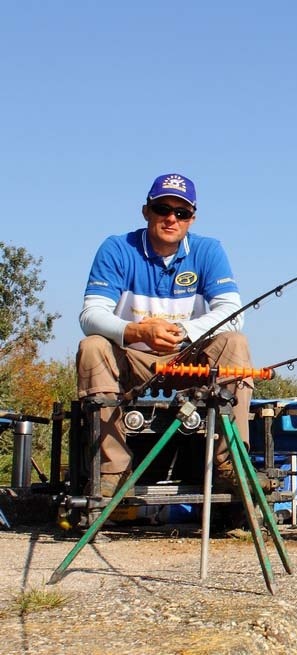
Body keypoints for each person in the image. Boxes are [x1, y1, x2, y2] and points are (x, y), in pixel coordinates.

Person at [76, 173, 253, 497]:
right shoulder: (116, 248)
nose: (171, 218)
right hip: (132, 360)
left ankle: (232, 468)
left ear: (191, 219)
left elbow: (233, 312)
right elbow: (91, 315)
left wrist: (185, 331)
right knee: (92, 347)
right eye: (162, 208)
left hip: (189, 361)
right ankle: (111, 472)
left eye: (181, 212)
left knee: (235, 343)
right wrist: (135, 331)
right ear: (147, 211)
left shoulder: (208, 250)